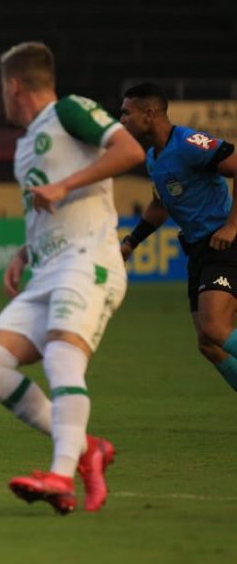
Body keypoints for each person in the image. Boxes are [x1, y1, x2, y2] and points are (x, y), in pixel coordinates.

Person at [0, 42, 144, 513]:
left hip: (89, 260)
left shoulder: (70, 111)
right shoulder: (28, 142)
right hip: (48, 268)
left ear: (13, 85)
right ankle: (88, 449)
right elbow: (49, 203)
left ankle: (62, 476)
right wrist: (26, 250)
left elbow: (129, 150)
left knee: (63, 358)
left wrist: (66, 184)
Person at [117, 82, 237, 392]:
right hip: (199, 248)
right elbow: (161, 205)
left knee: (215, 328)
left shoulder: (188, 143)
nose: (122, 120)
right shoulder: (153, 158)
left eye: (126, 113)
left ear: (150, 113)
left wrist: (232, 226)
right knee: (208, 344)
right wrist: (132, 241)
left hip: (224, 242)